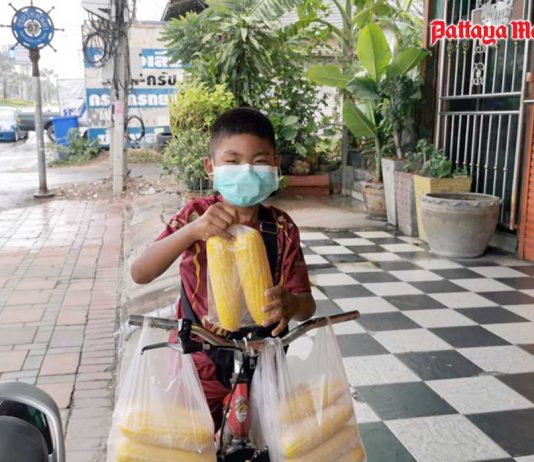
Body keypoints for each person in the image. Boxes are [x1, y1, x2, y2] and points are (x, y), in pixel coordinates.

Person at [130, 107, 316, 429]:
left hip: (264, 363)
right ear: (211, 167)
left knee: (262, 440)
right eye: (232, 161)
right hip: (198, 360)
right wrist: (192, 232)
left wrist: (291, 304)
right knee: (194, 438)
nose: (246, 171)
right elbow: (140, 272)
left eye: (259, 161)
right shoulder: (195, 217)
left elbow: (307, 307)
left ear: (275, 165)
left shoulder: (282, 228)